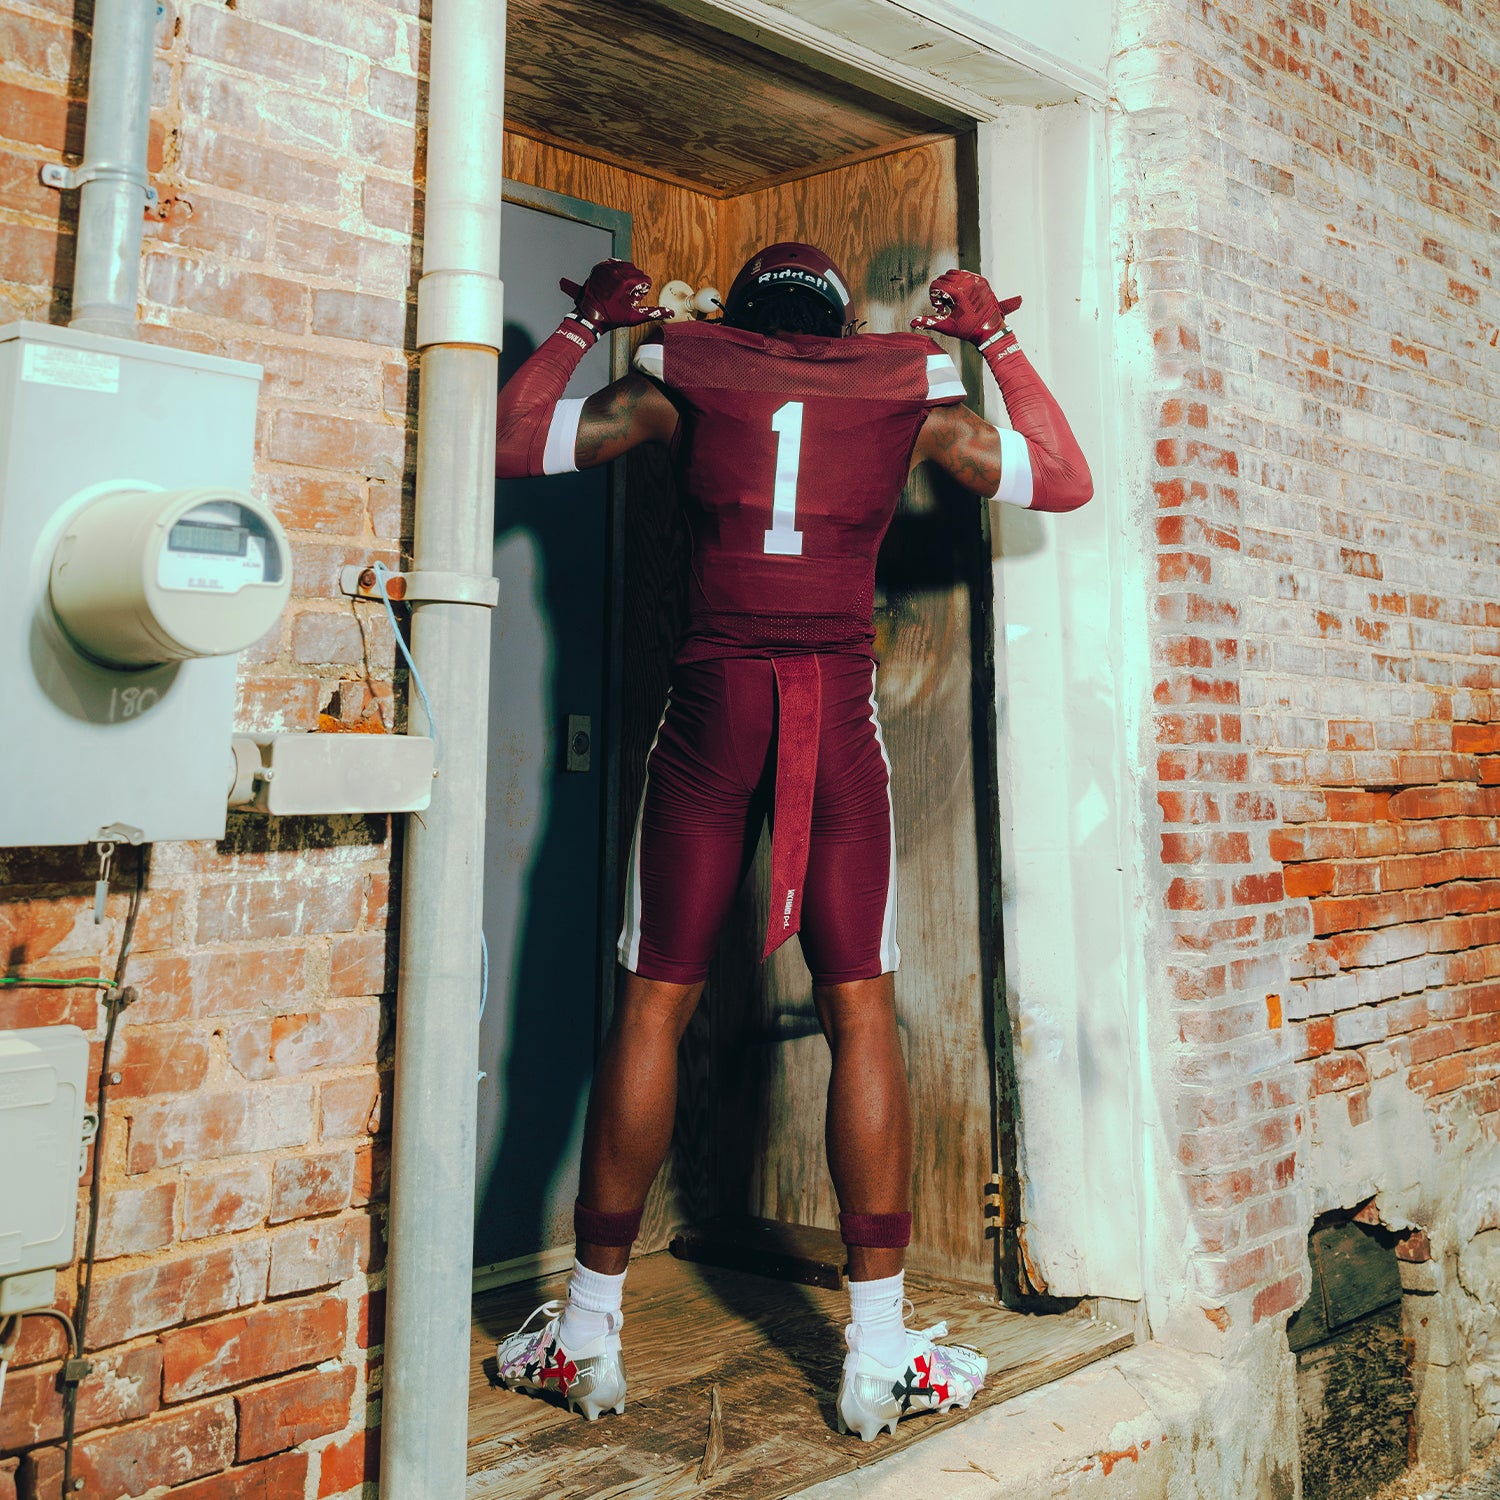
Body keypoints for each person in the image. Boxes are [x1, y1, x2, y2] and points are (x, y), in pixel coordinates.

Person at [489, 243, 1092, 1441]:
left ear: (745, 319)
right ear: (830, 325)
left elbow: (511, 447)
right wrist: (993, 342)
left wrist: (588, 329)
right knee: (861, 1006)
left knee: (654, 1005)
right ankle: (877, 1356)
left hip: (713, 704)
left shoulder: (679, 371)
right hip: (832, 704)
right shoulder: (908, 387)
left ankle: (589, 1337)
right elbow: (1063, 480)